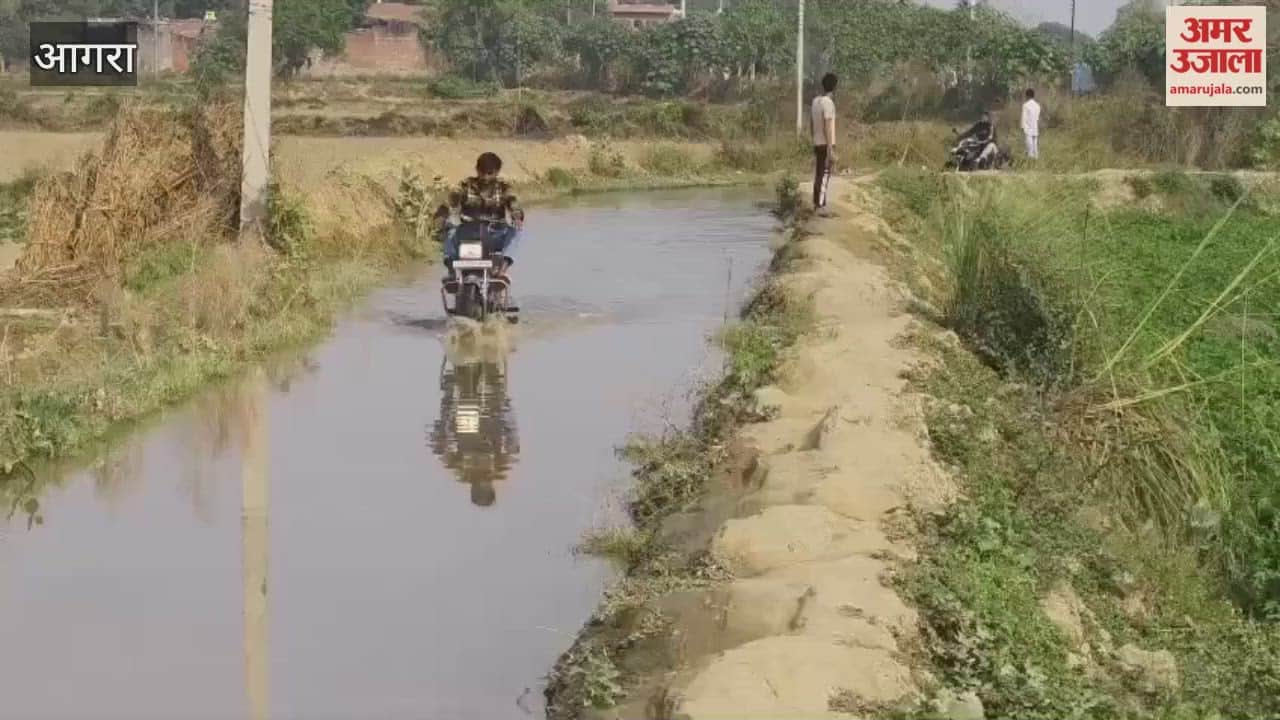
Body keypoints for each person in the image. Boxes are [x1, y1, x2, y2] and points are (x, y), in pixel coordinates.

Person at [434, 152, 525, 279]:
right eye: (482, 172)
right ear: (477, 169)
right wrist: (441, 216)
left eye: (490, 173)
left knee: (517, 230)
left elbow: (513, 201)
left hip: (494, 234)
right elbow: (451, 200)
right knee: (448, 229)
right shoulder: (466, 185)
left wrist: (516, 215)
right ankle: (451, 268)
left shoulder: (503, 187)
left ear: (497, 172)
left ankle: (502, 269)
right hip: (469, 232)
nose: (485, 177)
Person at [810, 72, 838, 212]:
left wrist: (814, 139)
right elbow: (827, 126)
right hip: (826, 143)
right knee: (825, 174)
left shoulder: (815, 102)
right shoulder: (828, 103)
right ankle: (820, 205)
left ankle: (817, 202)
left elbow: (811, 123)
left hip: (817, 141)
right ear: (834, 87)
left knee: (819, 173)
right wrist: (830, 149)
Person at [1021, 88, 1041, 161]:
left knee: (1029, 148)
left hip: (1028, 129)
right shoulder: (1038, 106)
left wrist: (1022, 128)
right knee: (1035, 147)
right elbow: (1037, 118)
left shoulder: (1025, 105)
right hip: (1035, 129)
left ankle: (1030, 164)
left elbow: (1024, 118)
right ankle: (1036, 163)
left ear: (1027, 96)